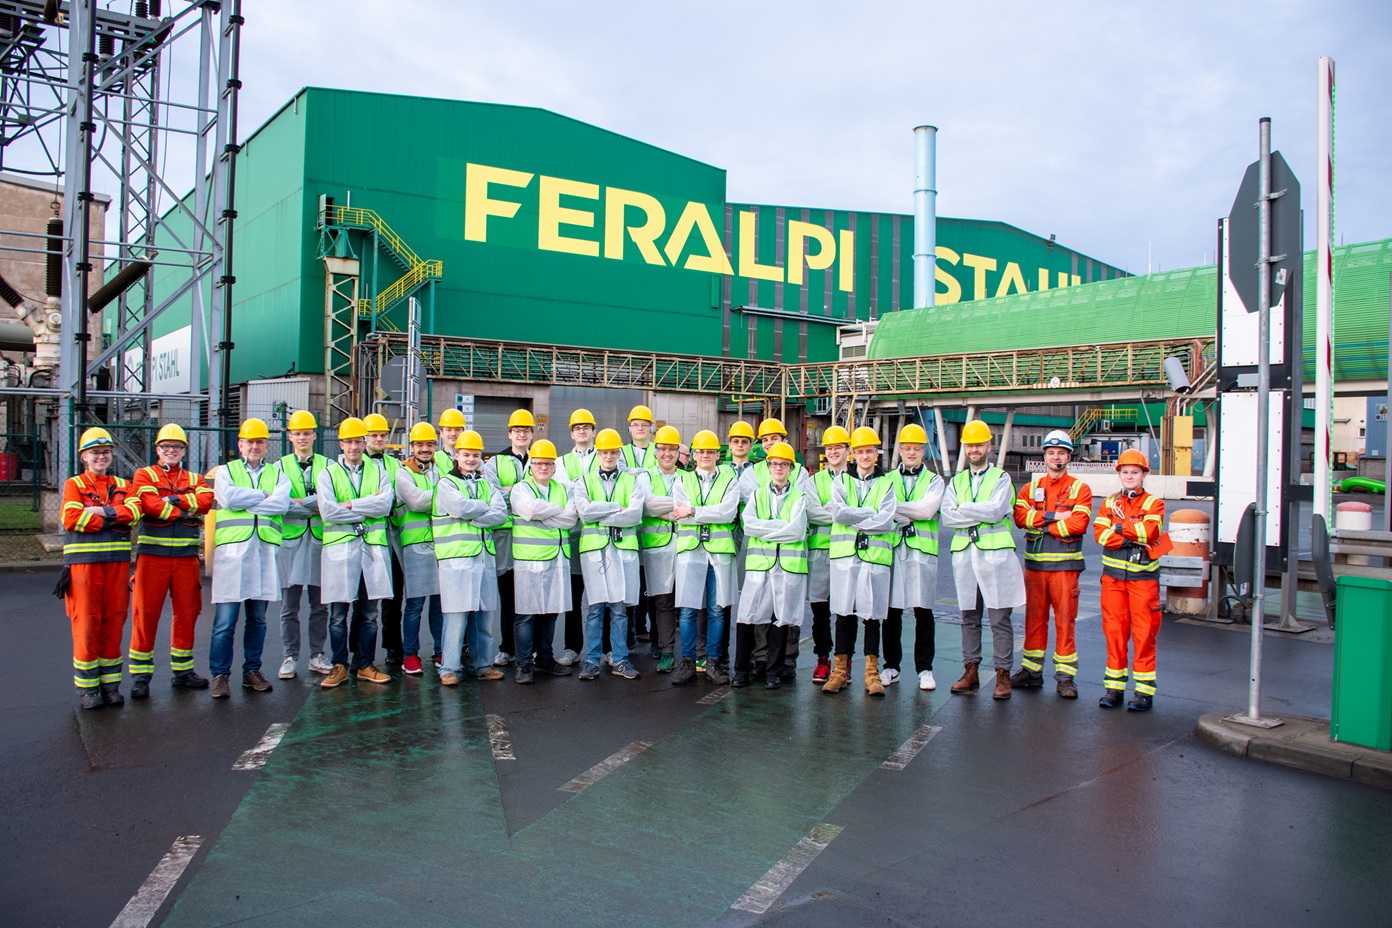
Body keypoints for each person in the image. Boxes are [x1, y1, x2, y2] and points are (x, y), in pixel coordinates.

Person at [940, 419, 1026, 701]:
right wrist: (975, 511)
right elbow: (948, 516)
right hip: (965, 553)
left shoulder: (1001, 478)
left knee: (999, 616)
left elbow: (996, 510)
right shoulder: (957, 481)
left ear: (989, 445)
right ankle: (971, 669)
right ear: (964, 448)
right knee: (969, 615)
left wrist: (964, 508)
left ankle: (1002, 673)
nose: (974, 449)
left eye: (979, 444)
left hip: (994, 554)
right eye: (970, 445)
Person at [128, 423, 215, 696]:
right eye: (166, 447)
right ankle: (141, 677)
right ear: (158, 449)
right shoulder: (144, 474)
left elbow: (206, 501)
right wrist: (185, 508)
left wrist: (171, 502)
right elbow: (149, 505)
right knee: (145, 615)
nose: (171, 451)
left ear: (183, 450)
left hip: (186, 559)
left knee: (188, 614)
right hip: (152, 557)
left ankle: (183, 671)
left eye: (176, 447)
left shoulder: (195, 477)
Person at [209, 418, 291, 699]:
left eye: (259, 442)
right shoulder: (226, 471)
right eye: (250, 442)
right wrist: (261, 495)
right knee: (225, 620)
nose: (254, 446)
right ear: (240, 445)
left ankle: (252, 671)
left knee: (257, 619)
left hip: (264, 551)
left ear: (266, 445)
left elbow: (281, 503)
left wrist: (248, 499)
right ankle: (220, 675)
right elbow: (228, 499)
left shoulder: (278, 474)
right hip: (233, 553)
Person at [60, 427, 141, 709]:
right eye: (95, 452)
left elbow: (134, 513)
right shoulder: (74, 484)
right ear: (84, 457)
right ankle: (88, 690)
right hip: (83, 568)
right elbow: (71, 519)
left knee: (114, 622)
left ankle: (110, 685)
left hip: (116, 567)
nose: (101, 457)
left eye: (106, 452)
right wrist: (113, 518)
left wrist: (98, 512)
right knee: (86, 625)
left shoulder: (123, 483)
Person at [1011, 429, 1094, 699]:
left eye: (1060, 453)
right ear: (1044, 456)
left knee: (1065, 622)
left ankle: (1065, 677)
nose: (1055, 457)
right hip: (1035, 568)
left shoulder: (1081, 488)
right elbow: (1020, 518)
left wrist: (1042, 522)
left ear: (1069, 456)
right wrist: (1056, 517)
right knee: (1034, 621)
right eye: (1050, 453)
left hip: (1065, 570)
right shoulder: (1029, 488)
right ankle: (1032, 672)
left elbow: (1079, 523)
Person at [316, 417, 395, 688]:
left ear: (365, 442)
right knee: (339, 614)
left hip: (371, 550)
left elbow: (385, 504)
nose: (354, 446)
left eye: (358, 441)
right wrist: (365, 506)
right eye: (349, 441)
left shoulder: (378, 470)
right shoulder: (327, 473)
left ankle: (365, 664)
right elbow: (328, 511)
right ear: (341, 444)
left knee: (370, 612)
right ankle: (339, 665)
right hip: (341, 550)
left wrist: (348, 505)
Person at [823, 427, 897, 697]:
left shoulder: (887, 482)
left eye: (869, 451)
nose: (865, 456)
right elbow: (839, 514)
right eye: (860, 451)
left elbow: (886, 520)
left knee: (872, 615)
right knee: (843, 614)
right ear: (852, 453)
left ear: (876, 453)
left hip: (874, 556)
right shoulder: (841, 481)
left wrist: (857, 517)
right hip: (845, 555)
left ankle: (871, 672)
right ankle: (840, 671)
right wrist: (869, 513)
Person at [1093, 449, 1170, 711]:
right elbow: (1099, 535)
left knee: (1144, 635)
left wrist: (1118, 529)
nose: (1129, 476)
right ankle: (1114, 690)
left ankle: (1144, 693)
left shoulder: (1154, 504)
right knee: (1114, 634)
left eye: (1134, 472)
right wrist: (1131, 535)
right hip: (1113, 581)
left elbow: (1151, 531)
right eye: (1125, 472)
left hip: (1143, 581)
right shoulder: (1108, 502)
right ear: (1119, 474)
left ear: (1144, 474)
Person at [569, 428, 645, 681]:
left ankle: (620, 658)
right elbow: (584, 512)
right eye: (604, 452)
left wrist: (599, 512)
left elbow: (634, 514)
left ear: (618, 453)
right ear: (598, 453)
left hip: (622, 551)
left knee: (619, 608)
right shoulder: (583, 481)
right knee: (595, 608)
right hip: (594, 551)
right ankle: (591, 660)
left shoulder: (631, 481)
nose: (609, 456)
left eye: (613, 452)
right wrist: (615, 509)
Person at [433, 430, 508, 685]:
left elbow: (500, 514)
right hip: (457, 560)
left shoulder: (486, 485)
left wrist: (472, 511)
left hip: (484, 558)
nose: (471, 459)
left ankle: (483, 665)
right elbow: (458, 508)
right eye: (466, 454)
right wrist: (481, 507)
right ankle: (449, 669)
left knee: (485, 615)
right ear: (457, 456)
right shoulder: (446, 484)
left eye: (475, 455)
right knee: (456, 616)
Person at [734, 441, 807, 690]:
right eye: (775, 464)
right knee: (747, 617)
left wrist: (767, 528)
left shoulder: (799, 496)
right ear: (768, 465)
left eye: (784, 464)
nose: (779, 468)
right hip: (759, 565)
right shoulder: (757, 494)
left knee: (780, 619)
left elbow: (796, 531)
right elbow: (749, 525)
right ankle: (740, 670)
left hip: (786, 566)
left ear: (791, 468)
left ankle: (773, 672)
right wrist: (781, 527)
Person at [670, 429, 740, 685]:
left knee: (716, 611)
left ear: (718, 455)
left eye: (710, 451)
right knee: (688, 611)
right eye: (700, 451)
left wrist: (694, 510)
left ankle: (713, 661)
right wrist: (698, 512)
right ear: (694, 454)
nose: (705, 455)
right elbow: (680, 510)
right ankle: (688, 662)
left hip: (719, 553)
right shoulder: (682, 481)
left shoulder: (729, 480)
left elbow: (728, 513)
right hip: (691, 551)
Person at [508, 439, 577, 684]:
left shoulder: (563, 488)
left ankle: (545, 659)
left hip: (557, 559)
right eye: (538, 463)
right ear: (531, 465)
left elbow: (570, 519)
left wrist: (544, 515)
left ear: (554, 467)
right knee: (526, 614)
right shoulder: (520, 489)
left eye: (548, 464)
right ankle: (524, 664)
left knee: (550, 612)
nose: (544, 468)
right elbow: (528, 510)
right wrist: (555, 511)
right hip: (529, 561)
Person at [884, 423, 945, 692]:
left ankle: (925, 669)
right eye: (907, 448)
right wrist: (909, 510)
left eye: (916, 449)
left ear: (924, 451)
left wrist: (895, 508)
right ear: (899, 450)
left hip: (921, 552)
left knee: (923, 611)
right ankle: (891, 666)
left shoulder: (934, 480)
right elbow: (881, 509)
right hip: (894, 550)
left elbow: (927, 510)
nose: (911, 453)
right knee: (891, 611)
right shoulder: (887, 479)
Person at [275, 409, 331, 679]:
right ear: (290, 436)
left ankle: (317, 654)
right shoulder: (279, 467)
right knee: (290, 605)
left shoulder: (328, 465)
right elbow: (280, 505)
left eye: (306, 433)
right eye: (297, 433)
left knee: (320, 604)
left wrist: (301, 503)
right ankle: (289, 656)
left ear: (314, 435)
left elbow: (329, 501)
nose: (302, 437)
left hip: (320, 540)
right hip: (290, 542)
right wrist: (312, 506)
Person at [482, 408, 533, 667]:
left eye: (526, 430)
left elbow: (545, 495)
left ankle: (528, 648)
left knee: (530, 596)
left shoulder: (540, 460)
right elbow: (493, 495)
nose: (522, 434)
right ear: (510, 433)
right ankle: (507, 647)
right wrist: (524, 495)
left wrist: (511, 491)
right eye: (517, 430)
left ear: (532, 434)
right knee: (508, 594)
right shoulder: (495, 462)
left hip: (534, 539)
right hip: (506, 537)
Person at [395, 422, 445, 675]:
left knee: (439, 603)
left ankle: (440, 651)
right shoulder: (402, 472)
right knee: (414, 603)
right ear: (412, 446)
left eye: (429, 444)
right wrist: (446, 496)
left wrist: (439, 495)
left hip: (442, 543)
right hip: (415, 545)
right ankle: (410, 655)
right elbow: (414, 501)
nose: (425, 449)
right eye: (420, 445)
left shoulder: (442, 468)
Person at [806, 426, 849, 685]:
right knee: (820, 609)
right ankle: (823, 659)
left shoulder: (855, 478)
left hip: (848, 551)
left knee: (847, 611)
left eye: (838, 447)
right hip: (820, 551)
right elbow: (812, 512)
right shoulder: (815, 481)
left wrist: (832, 510)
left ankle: (844, 660)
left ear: (847, 450)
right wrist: (843, 513)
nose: (833, 452)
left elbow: (859, 510)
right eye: (829, 448)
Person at [556, 408, 599, 665]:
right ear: (571, 434)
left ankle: (604, 648)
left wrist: (578, 488)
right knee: (572, 597)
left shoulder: (607, 456)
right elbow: (564, 494)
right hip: (572, 537)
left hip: (598, 537)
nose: (582, 431)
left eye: (586, 427)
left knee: (600, 598)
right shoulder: (560, 462)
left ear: (594, 431)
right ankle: (572, 648)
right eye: (577, 428)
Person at [639, 426, 684, 672]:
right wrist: (677, 510)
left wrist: (663, 510)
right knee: (662, 602)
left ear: (679, 452)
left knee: (686, 603)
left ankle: (688, 653)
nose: (667, 454)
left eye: (672, 449)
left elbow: (694, 505)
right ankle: (666, 652)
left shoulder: (686, 477)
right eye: (663, 449)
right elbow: (647, 504)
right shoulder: (645, 476)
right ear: (656, 451)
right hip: (656, 547)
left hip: (685, 547)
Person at [364, 412, 406, 666]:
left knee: (393, 596)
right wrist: (376, 501)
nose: (379, 439)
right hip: (367, 535)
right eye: (374, 435)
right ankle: (361, 652)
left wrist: (381, 500)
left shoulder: (394, 465)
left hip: (392, 534)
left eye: (382, 435)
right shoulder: (357, 463)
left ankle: (393, 647)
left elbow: (398, 498)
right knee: (365, 599)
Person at [621, 404, 659, 646]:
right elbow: (619, 472)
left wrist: (635, 473)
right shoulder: (620, 451)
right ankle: (628, 632)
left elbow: (663, 472)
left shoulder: (659, 448)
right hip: (626, 525)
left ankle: (643, 628)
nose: (640, 428)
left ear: (651, 429)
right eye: (636, 425)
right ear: (629, 428)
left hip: (654, 525)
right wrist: (645, 472)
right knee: (627, 582)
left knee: (648, 582)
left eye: (644, 424)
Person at [433, 408, 467, 474]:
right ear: (441, 433)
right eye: (448, 430)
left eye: (457, 429)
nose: (453, 434)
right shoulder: (433, 459)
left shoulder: (473, 459)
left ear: (463, 432)